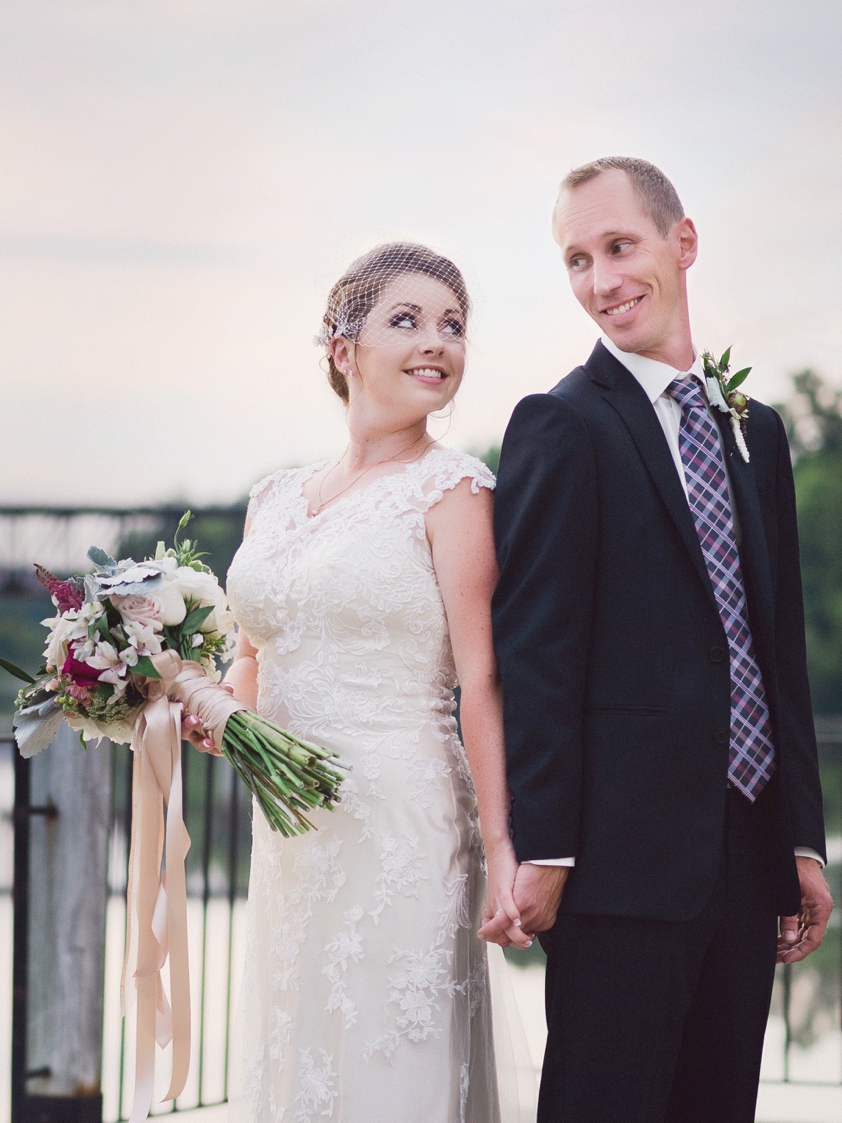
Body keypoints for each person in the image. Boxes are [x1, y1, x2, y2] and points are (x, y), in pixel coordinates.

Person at [489, 157, 833, 1123]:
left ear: (682, 242)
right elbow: (538, 651)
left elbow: (782, 653)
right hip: (617, 866)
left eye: (619, 246)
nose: (602, 280)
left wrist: (801, 838)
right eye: (577, 259)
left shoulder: (754, 430)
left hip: (746, 851)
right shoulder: (561, 424)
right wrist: (544, 844)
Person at [212, 242, 533, 1123]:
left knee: (392, 1059)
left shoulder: (457, 490)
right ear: (342, 347)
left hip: (407, 825)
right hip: (292, 829)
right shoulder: (272, 497)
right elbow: (254, 655)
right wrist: (204, 708)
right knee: (301, 1048)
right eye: (408, 319)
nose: (437, 341)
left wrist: (503, 847)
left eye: (453, 325)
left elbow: (484, 678)